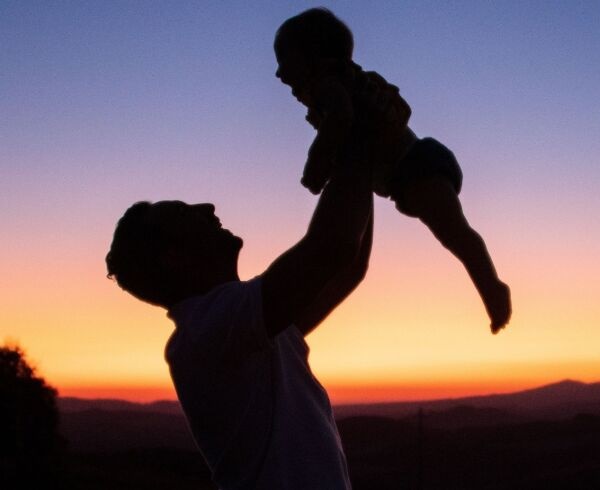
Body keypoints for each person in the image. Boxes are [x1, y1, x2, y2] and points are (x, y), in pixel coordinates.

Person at [105, 82, 404, 489]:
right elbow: (332, 248)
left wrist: (355, 160)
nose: (206, 207)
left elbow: (345, 265)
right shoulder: (207, 330)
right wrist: (360, 133)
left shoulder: (244, 326)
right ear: (173, 257)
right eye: (183, 212)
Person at [274, 8, 512, 333]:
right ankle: (293, 329)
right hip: (392, 174)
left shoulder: (330, 86)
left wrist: (316, 164)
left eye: (284, 59)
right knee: (356, 262)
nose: (278, 73)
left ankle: (492, 287)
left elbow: (340, 120)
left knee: (455, 235)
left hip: (416, 166)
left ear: (314, 55)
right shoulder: (336, 84)